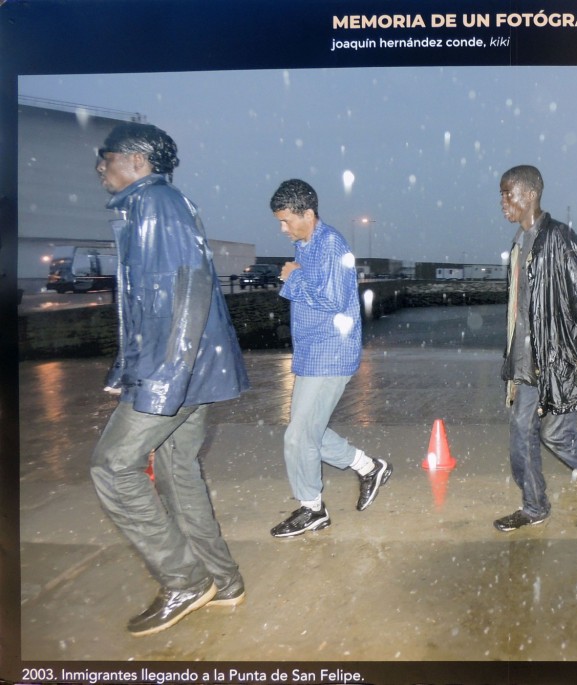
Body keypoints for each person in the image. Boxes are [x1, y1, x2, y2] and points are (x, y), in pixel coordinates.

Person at [90, 123, 250, 636]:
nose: (99, 167)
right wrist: (128, 366)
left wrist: (162, 378)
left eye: (105, 157)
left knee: (114, 468)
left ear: (137, 161)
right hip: (187, 371)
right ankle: (222, 582)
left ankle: (183, 579)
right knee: (180, 475)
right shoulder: (156, 204)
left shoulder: (156, 203)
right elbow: (150, 303)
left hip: (175, 371)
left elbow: (186, 291)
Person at [494, 165, 577, 531]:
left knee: (556, 435)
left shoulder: (559, 238)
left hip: (559, 358)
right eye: (502, 194)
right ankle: (534, 505)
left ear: (530, 195)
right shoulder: (519, 243)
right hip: (526, 360)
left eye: (509, 193)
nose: (503, 202)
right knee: (521, 435)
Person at [268, 179, 392, 538]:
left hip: (330, 353)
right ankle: (369, 467)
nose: (282, 228)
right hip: (310, 353)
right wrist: (299, 273)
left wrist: (293, 277)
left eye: (287, 219)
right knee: (310, 431)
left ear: (308, 213)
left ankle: (313, 509)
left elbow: (335, 299)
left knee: (298, 437)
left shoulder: (331, 244)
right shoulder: (305, 244)